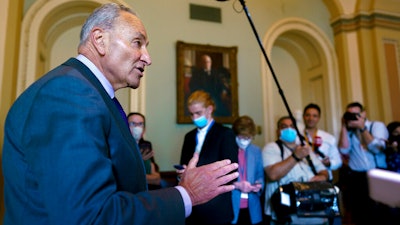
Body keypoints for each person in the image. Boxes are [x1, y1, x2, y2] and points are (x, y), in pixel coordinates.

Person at [2, 3, 239, 225]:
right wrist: (186, 195)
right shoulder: (69, 92)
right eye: (138, 42)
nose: (147, 58)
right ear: (99, 40)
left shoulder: (90, 94)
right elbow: (91, 216)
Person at [178, 90, 238, 225]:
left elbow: (232, 173)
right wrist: (183, 173)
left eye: (198, 113)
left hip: (216, 210)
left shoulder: (225, 134)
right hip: (192, 210)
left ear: (209, 109)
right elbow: (184, 165)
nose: (194, 118)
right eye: (191, 114)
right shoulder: (188, 137)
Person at [262, 116, 329, 225]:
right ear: (278, 131)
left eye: (292, 126)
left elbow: (323, 171)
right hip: (286, 211)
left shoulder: (305, 149)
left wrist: (322, 177)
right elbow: (273, 174)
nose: (289, 129)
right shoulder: (271, 148)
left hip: (312, 209)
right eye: (284, 126)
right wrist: (295, 157)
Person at [338, 102, 388, 225]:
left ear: (364, 114)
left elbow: (378, 148)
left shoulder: (376, 126)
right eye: (350, 115)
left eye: (357, 114)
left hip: (377, 174)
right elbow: (343, 149)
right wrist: (344, 126)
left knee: (379, 213)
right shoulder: (349, 131)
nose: (354, 117)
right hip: (356, 177)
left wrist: (362, 128)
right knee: (359, 214)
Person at [231, 115, 264, 225]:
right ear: (235, 134)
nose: (245, 141)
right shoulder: (228, 149)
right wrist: (237, 185)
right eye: (242, 137)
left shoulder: (256, 151)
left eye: (248, 138)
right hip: (232, 204)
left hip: (252, 206)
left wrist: (258, 185)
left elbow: (260, 175)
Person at [302, 103, 342, 181]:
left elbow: (338, 162)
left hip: (324, 179)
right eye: (308, 115)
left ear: (319, 118)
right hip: (305, 179)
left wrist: (328, 163)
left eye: (314, 116)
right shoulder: (296, 137)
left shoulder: (329, 138)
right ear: (303, 117)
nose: (311, 118)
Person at [127, 112, 162, 190]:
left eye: (140, 124)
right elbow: (125, 177)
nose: (137, 127)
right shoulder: (119, 146)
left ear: (144, 130)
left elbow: (156, 179)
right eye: (133, 124)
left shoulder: (146, 146)